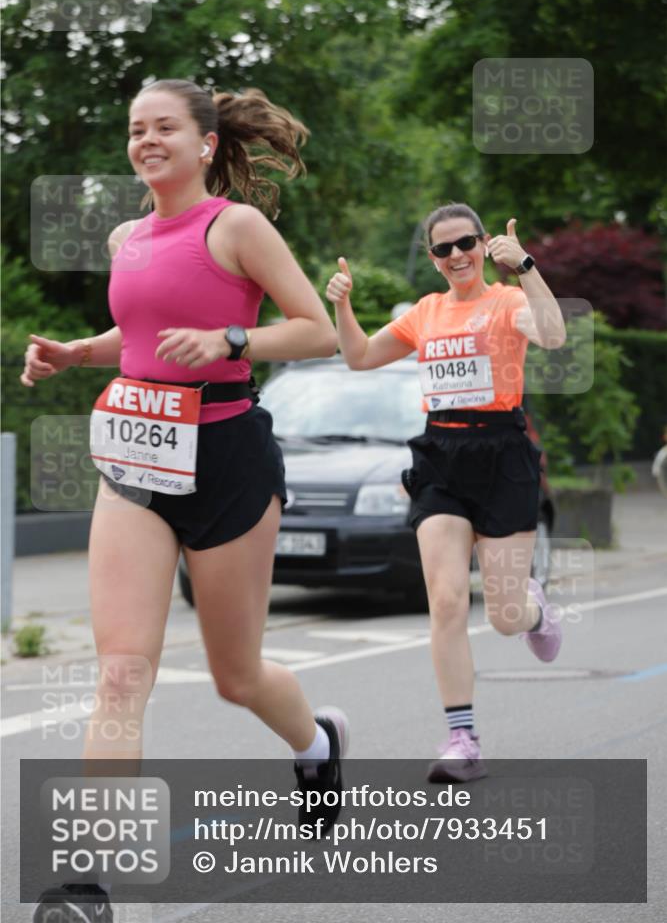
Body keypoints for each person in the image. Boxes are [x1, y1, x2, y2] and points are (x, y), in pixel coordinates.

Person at [22, 79, 349, 922]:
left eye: (164, 127)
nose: (147, 140)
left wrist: (230, 338)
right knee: (122, 672)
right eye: (136, 129)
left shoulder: (234, 226)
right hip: (136, 456)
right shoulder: (127, 234)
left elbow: (316, 330)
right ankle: (87, 883)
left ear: (205, 143)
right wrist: (72, 353)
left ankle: (316, 745)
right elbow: (134, 342)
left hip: (228, 457)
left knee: (235, 677)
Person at [326, 202, 566, 784]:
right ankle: (463, 737)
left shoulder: (508, 301)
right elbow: (358, 358)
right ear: (433, 260)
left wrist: (527, 266)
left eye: (466, 244)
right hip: (440, 457)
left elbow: (555, 336)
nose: (456, 255)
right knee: (449, 600)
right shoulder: (425, 314)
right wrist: (342, 305)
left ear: (484, 245)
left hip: (502, 454)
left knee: (505, 617)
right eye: (443, 249)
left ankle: (534, 611)